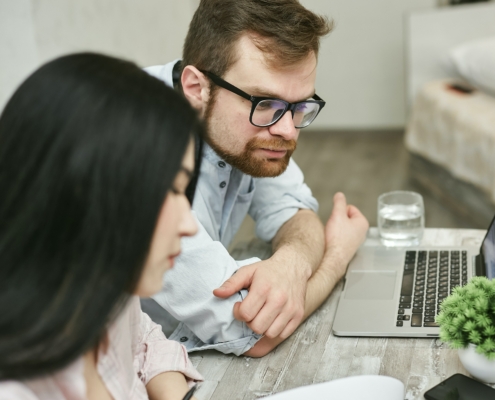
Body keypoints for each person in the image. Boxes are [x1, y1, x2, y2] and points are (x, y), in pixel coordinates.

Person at [142, 0, 369, 357]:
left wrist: (292, 261)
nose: (287, 130)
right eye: (264, 103)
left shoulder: (242, 124)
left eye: (300, 106)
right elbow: (251, 332)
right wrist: (337, 255)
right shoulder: (137, 151)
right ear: (196, 87)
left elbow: (293, 211)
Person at [0, 53, 204, 399]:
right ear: (85, 189)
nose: (190, 226)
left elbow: (144, 339)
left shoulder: (104, 286)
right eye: (170, 189)